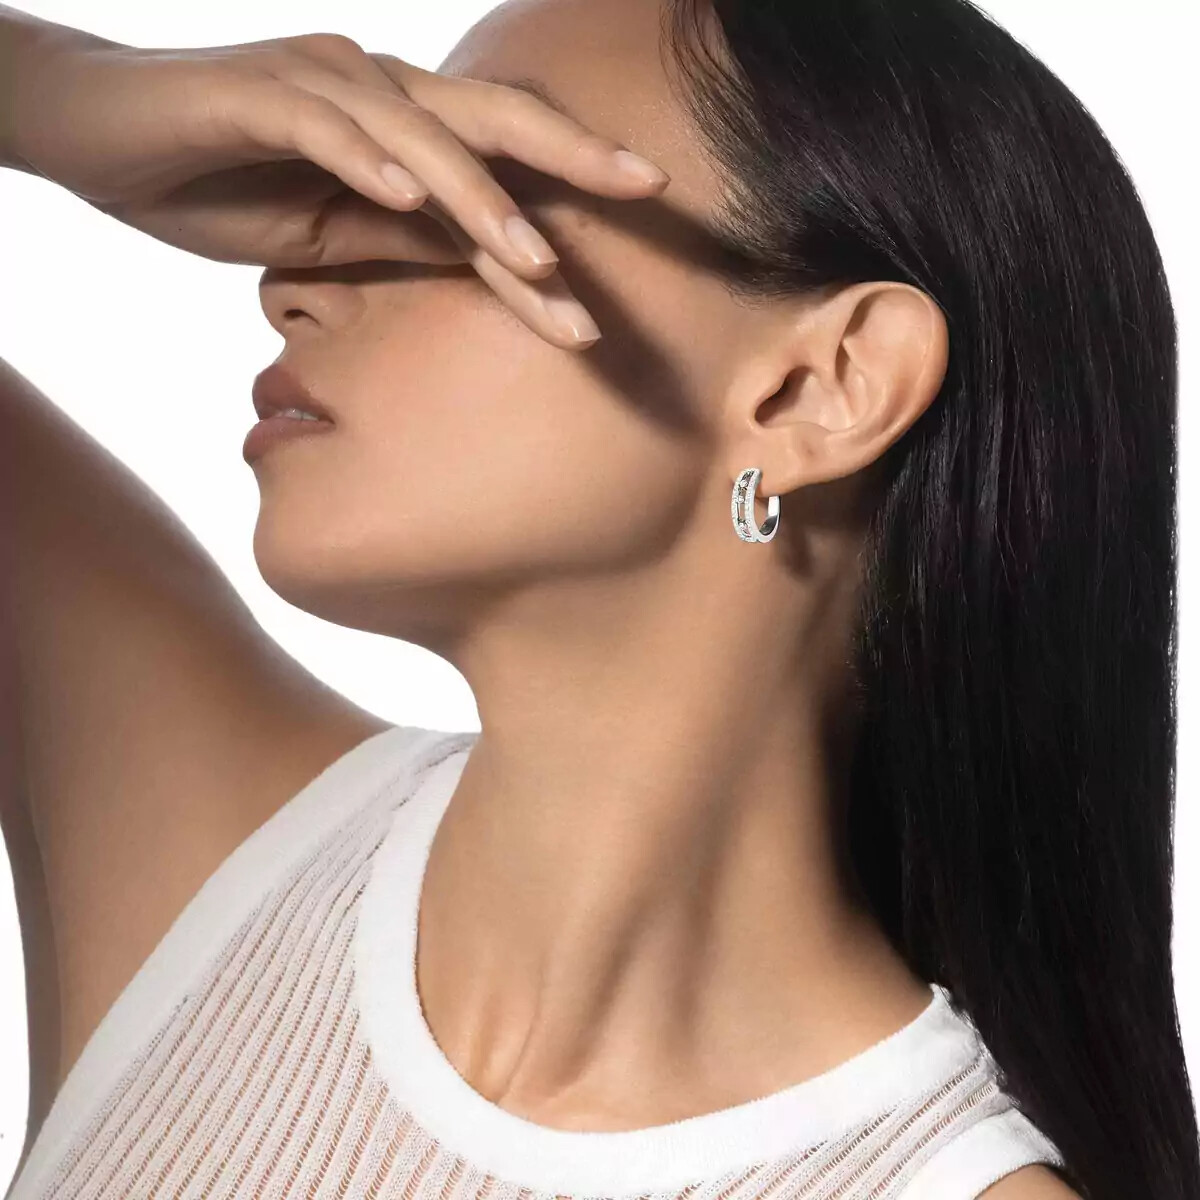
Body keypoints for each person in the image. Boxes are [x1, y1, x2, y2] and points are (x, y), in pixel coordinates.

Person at [0, 0, 1194, 1197]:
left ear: (818, 387)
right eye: (387, 169)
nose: (295, 280)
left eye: (480, 193)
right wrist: (65, 92)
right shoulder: (196, 847)